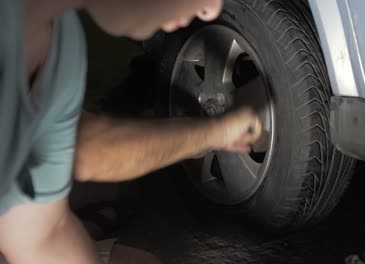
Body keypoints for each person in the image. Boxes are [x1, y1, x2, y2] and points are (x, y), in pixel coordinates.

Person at [0, 0, 262, 263]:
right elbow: (86, 151)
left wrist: (214, 134)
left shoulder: (60, 47)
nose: (211, 9)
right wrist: (211, 135)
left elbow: (41, 234)